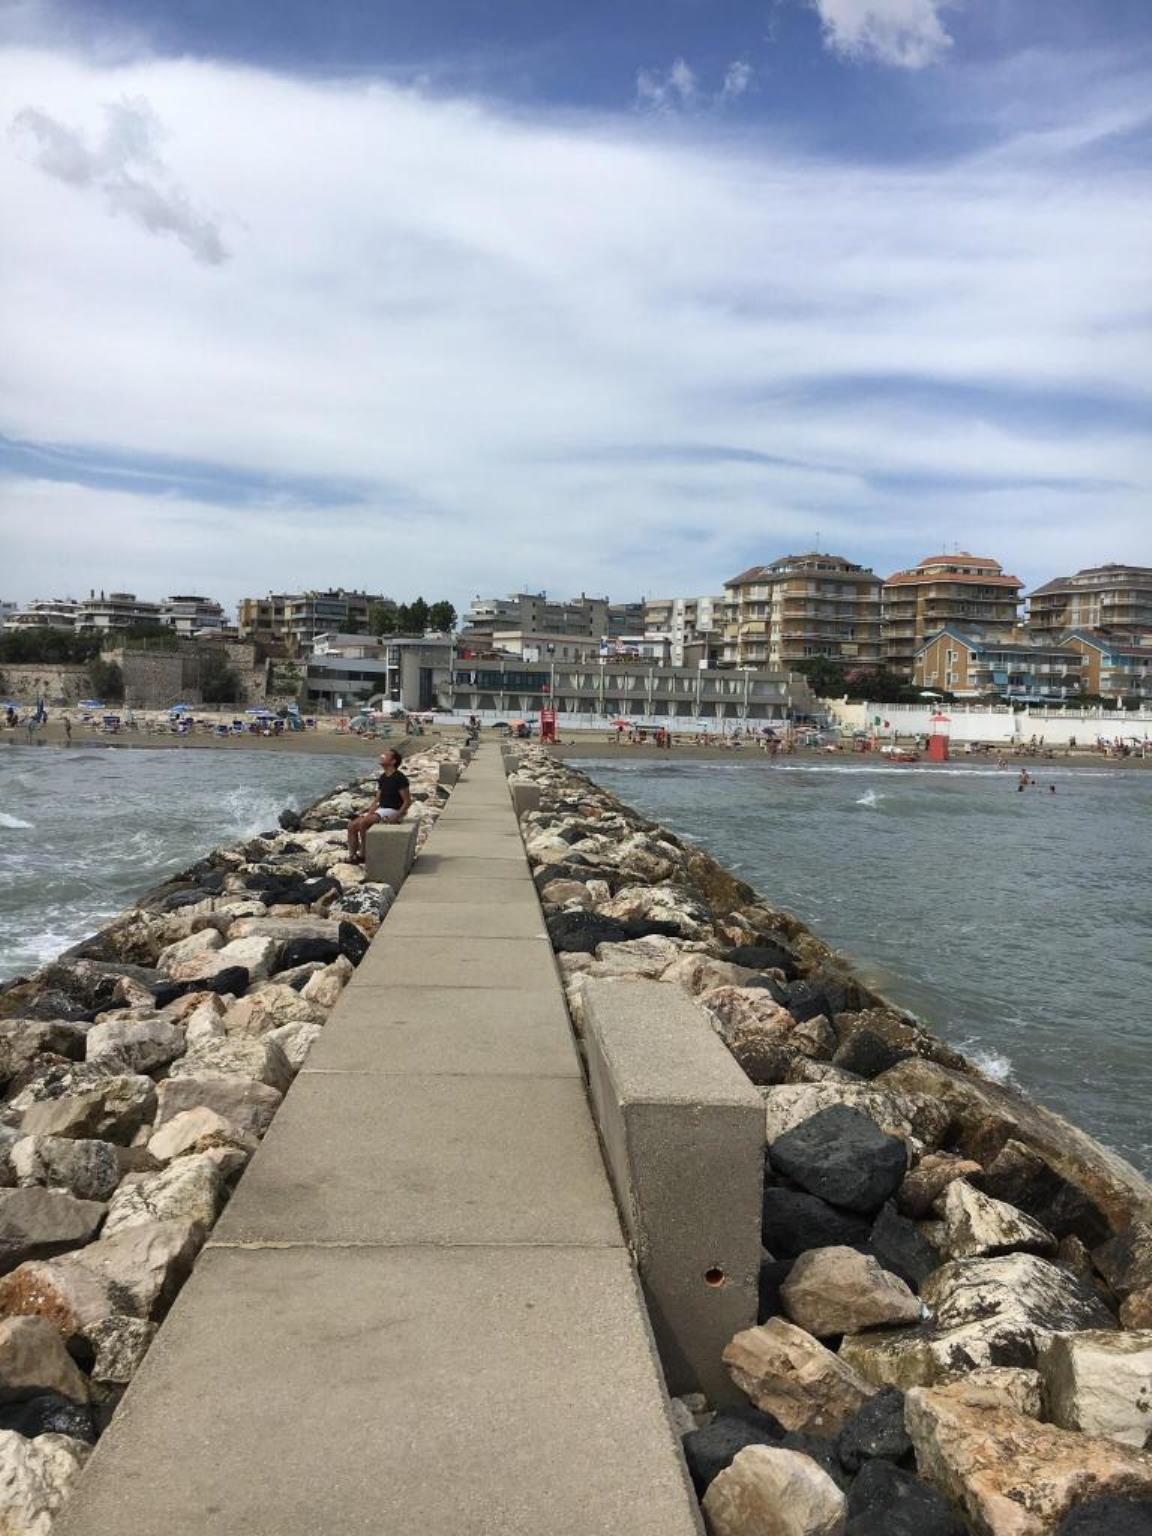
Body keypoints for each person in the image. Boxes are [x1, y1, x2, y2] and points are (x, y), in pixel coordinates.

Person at [347, 748, 412, 864]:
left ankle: (363, 854)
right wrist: (370, 809)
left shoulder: (399, 778)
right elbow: (378, 797)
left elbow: (407, 801)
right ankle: (352, 856)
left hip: (393, 810)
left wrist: (397, 816)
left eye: (386, 755)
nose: (382, 756)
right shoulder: (383, 777)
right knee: (352, 825)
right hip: (382, 809)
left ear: (393, 761)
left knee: (364, 822)